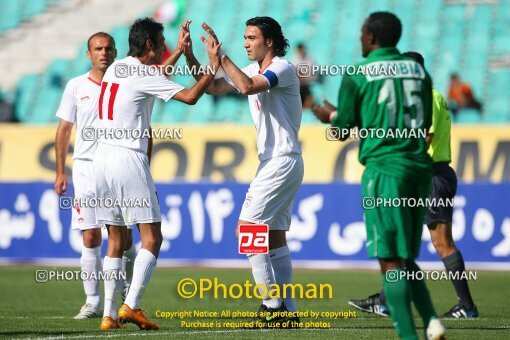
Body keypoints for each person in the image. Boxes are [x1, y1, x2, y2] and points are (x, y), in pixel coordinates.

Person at [312, 12, 446, 339]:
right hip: (418, 168)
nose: (359, 38)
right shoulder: (418, 71)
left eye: (361, 33)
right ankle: (431, 322)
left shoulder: (358, 72)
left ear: (371, 37)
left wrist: (328, 114)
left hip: (385, 170)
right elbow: (423, 120)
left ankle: (408, 335)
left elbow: (342, 128)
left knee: (389, 257)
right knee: (404, 254)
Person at [94, 17, 221, 330]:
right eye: (162, 44)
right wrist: (213, 66)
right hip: (127, 159)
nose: (164, 48)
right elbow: (190, 97)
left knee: (115, 239)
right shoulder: (141, 74)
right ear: (150, 45)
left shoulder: (118, 68)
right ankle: (132, 305)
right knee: (151, 238)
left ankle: (109, 315)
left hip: (100, 161)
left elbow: (153, 78)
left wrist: (178, 52)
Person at [182, 18, 303, 325]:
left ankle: (271, 304)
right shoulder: (250, 69)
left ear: (270, 42)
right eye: (245, 38)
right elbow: (215, 87)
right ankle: (288, 310)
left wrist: (221, 58)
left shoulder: (284, 68)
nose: (246, 43)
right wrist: (191, 55)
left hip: (281, 159)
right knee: (274, 236)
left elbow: (248, 88)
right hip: (276, 161)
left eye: (252, 38)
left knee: (246, 229)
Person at [348, 52, 478, 320]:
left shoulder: (427, 97)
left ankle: (466, 305)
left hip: (430, 175)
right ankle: (386, 301)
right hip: (419, 175)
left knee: (441, 242)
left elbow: (423, 139)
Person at [54, 32, 137, 320]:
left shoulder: (126, 83)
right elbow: (64, 130)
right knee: (90, 236)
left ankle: (128, 295)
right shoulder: (76, 86)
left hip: (117, 165)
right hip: (87, 168)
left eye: (109, 48)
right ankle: (92, 302)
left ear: (116, 53)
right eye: (98, 48)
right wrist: (60, 171)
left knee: (123, 237)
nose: (104, 52)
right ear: (88, 54)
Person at [293, 43, 316, 108]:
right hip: (299, 85)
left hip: (307, 84)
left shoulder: (310, 60)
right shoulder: (295, 60)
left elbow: (312, 75)